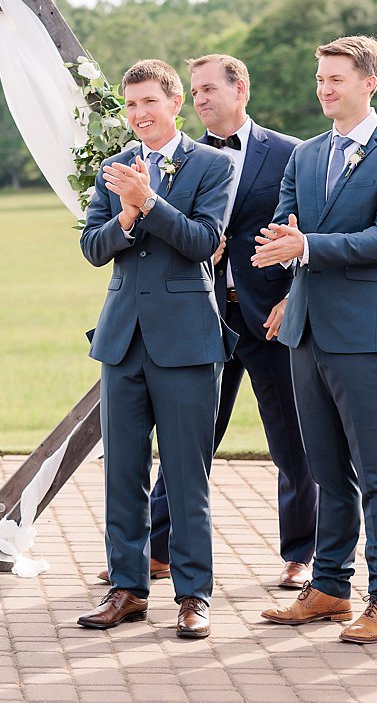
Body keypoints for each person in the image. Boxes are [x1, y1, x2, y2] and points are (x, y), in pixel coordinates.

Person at [100, 54, 316, 590]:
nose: (200, 100)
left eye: (208, 89)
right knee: (192, 444)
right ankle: (155, 550)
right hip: (198, 315)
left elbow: (304, 232)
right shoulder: (173, 159)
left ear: (240, 89)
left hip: (266, 314)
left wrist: (294, 298)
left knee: (290, 438)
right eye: (195, 91)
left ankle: (301, 553)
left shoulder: (289, 153)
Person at [255, 35, 377, 644]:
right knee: (326, 469)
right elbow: (284, 220)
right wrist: (282, 243)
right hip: (306, 329)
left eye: (336, 79)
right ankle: (329, 586)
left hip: (367, 334)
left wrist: (306, 245)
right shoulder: (305, 154)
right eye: (320, 78)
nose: (324, 89)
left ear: (368, 83)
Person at [77, 59, 234, 640]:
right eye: (131, 104)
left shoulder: (213, 165)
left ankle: (193, 596)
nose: (140, 114)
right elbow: (93, 248)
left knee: (187, 475)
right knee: (122, 472)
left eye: (150, 102)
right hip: (122, 341)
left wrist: (150, 202)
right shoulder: (112, 168)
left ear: (175, 104)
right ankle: (127, 589)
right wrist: (124, 215)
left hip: (188, 341)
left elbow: (203, 242)